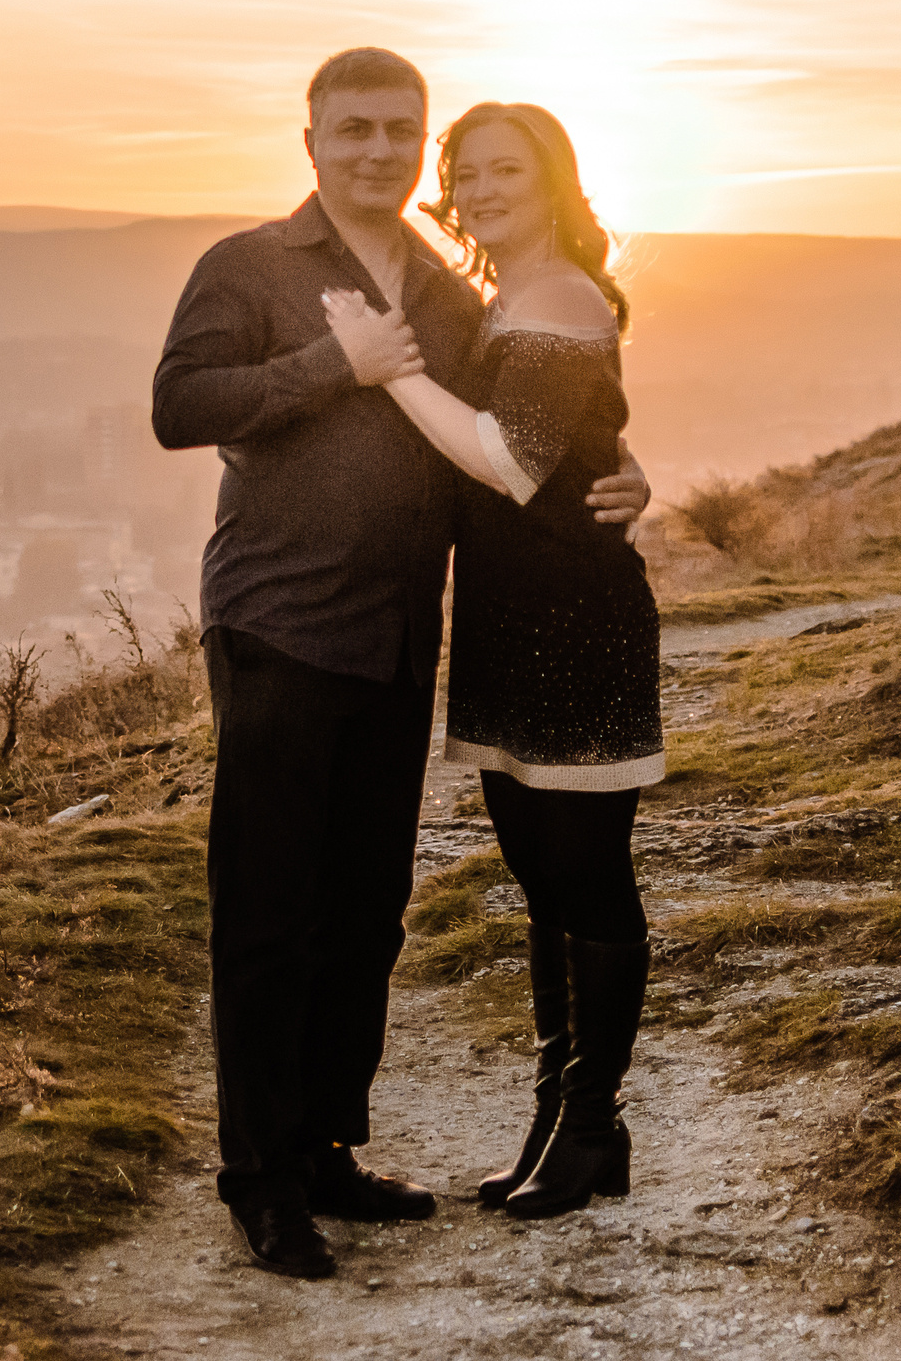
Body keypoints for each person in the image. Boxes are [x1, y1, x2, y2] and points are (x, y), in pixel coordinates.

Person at [152, 51, 651, 1279]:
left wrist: (624, 479)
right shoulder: (251, 267)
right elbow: (180, 404)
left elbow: (529, 421)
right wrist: (336, 364)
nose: (378, 151)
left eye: (397, 132)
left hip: (396, 635)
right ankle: (261, 1182)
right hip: (276, 625)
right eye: (354, 130)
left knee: (364, 910)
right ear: (311, 139)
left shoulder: (442, 288)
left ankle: (326, 1145)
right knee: (265, 915)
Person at [321, 100, 662, 1222]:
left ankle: (591, 1121)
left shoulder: (558, 295)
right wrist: (625, 464)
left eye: (505, 169)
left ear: (555, 179)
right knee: (537, 877)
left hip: (573, 618)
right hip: (511, 618)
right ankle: (554, 1115)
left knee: (583, 874)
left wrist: (385, 371)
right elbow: (572, 434)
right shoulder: (512, 298)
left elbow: (508, 459)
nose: (479, 189)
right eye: (465, 173)